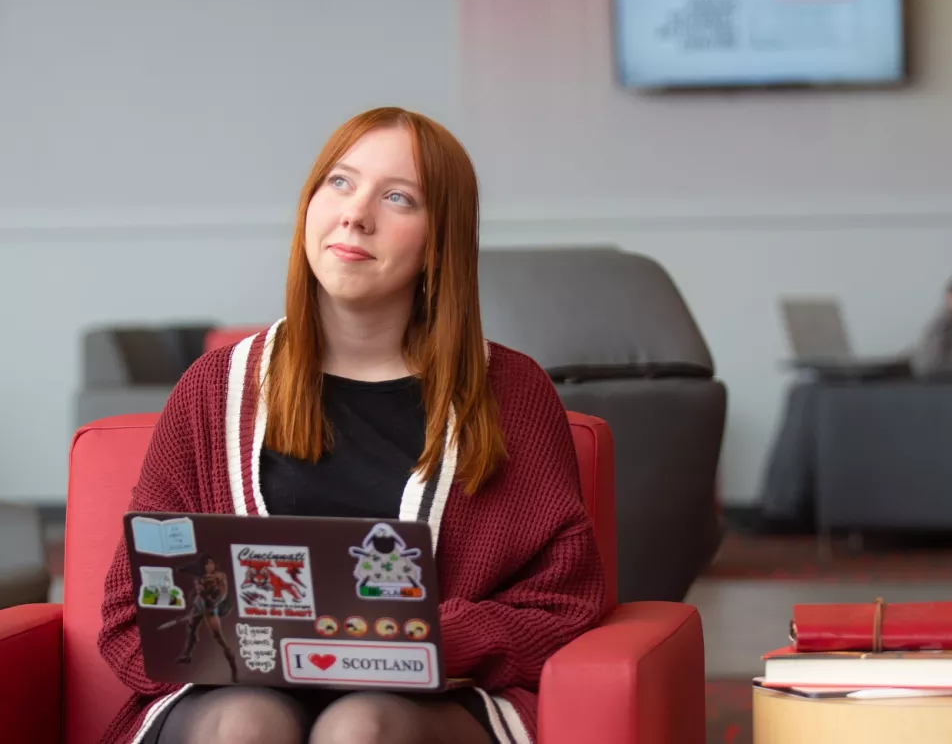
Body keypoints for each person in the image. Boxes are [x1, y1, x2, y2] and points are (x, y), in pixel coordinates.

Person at [97, 107, 606, 744]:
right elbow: (128, 619)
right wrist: (243, 648)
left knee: (358, 726)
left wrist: (429, 642)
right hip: (231, 704)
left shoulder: (510, 393)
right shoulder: (214, 389)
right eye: (339, 182)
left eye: (398, 198)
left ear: (439, 240)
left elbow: (563, 605)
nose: (355, 214)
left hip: (419, 711)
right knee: (247, 724)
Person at [756, 261, 952, 530]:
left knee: (811, 394)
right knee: (807, 388)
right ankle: (787, 503)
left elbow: (929, 366)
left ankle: (782, 509)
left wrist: (946, 317)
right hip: (907, 375)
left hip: (919, 392)